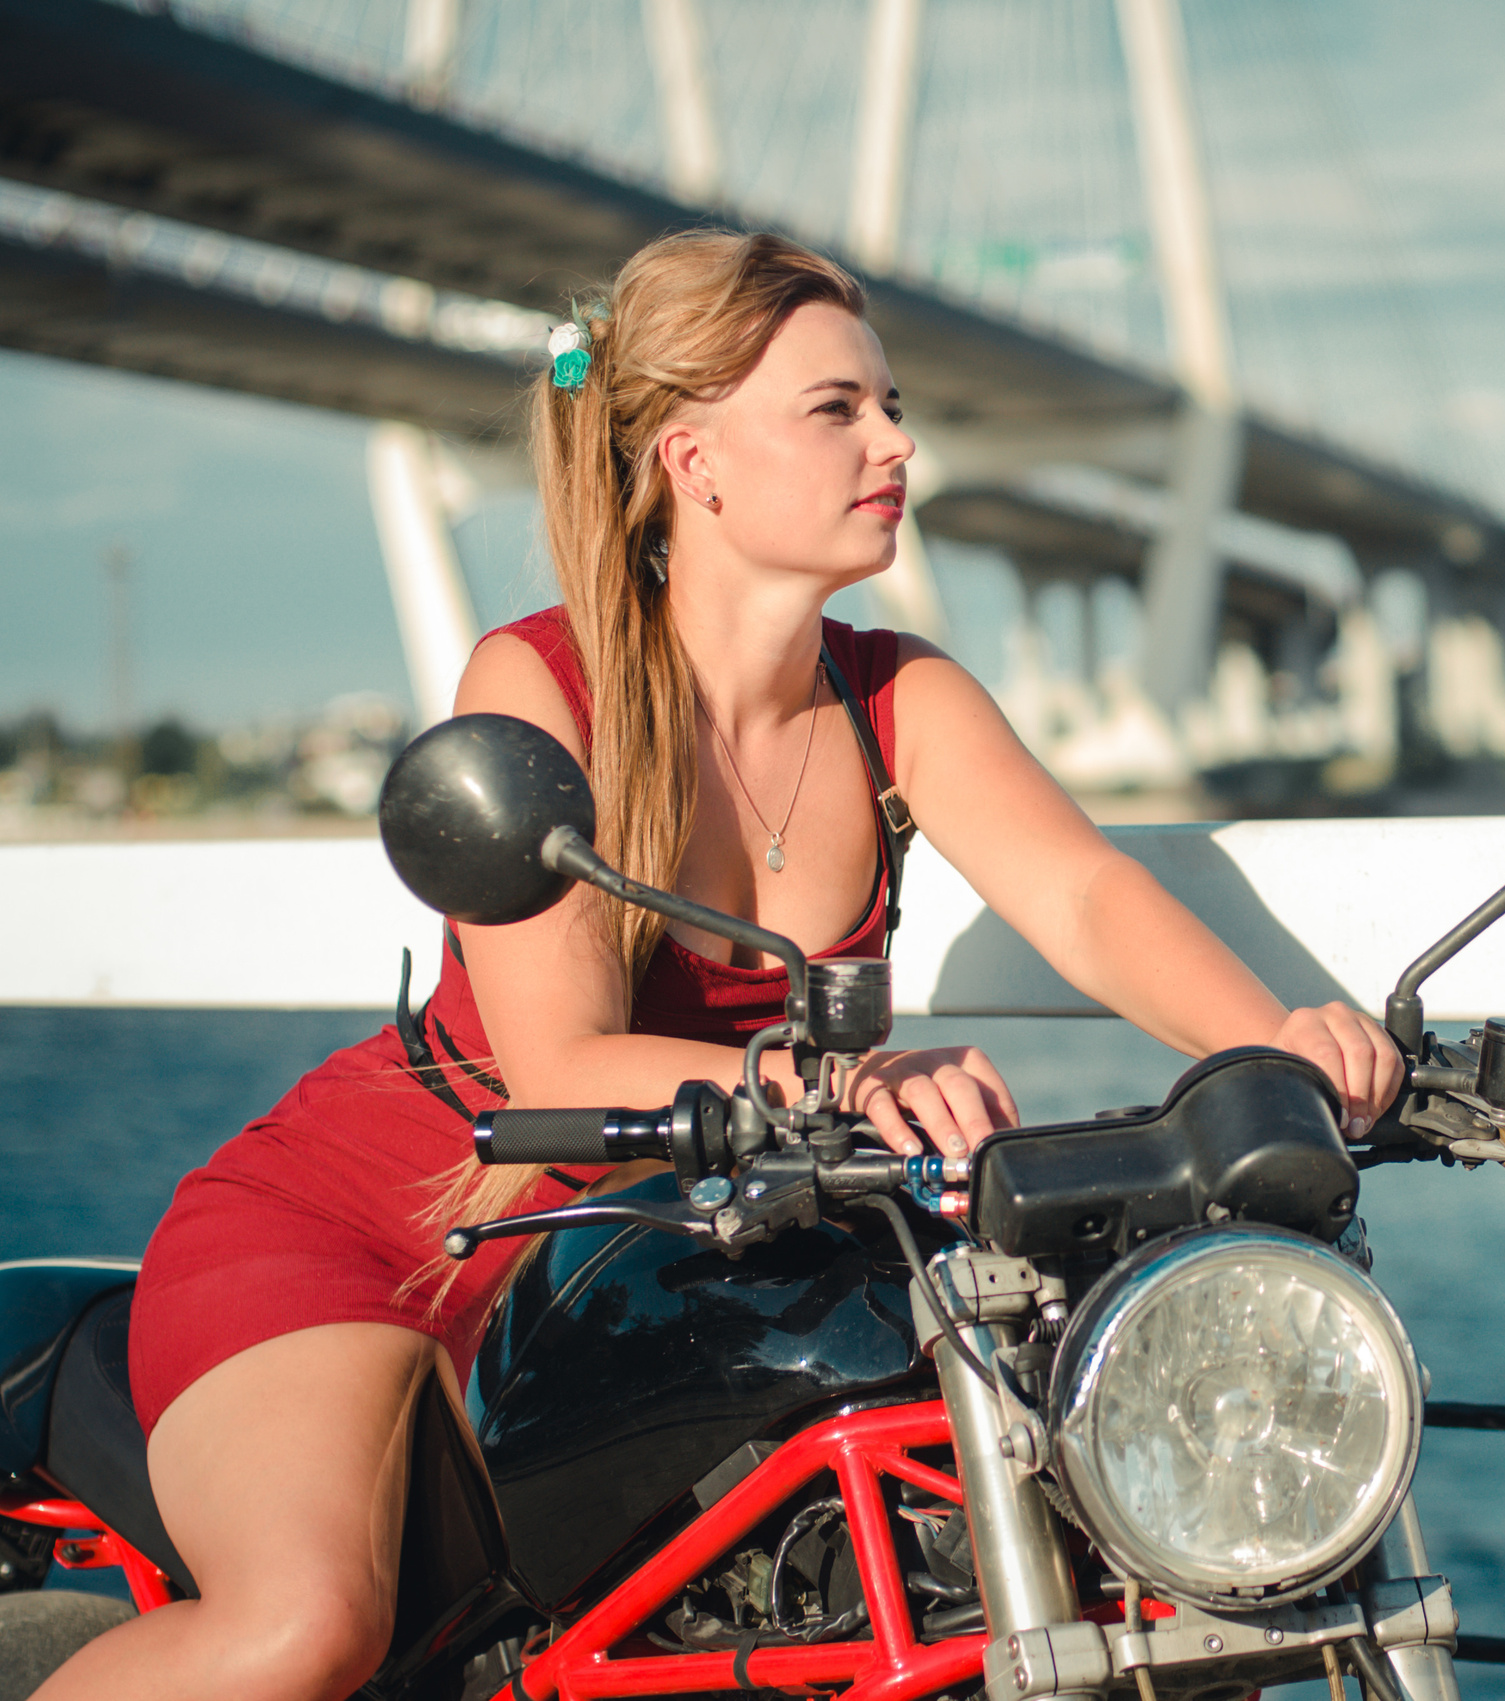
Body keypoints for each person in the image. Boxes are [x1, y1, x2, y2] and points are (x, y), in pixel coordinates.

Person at [38, 229, 1402, 1701]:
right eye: (839, 409)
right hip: (387, 1225)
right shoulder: (539, 681)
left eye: (890, 404)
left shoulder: (897, 698)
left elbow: (1083, 895)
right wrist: (851, 1075)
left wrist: (1279, 1048)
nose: (897, 440)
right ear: (695, 460)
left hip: (631, 1269)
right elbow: (561, 1060)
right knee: (305, 1628)